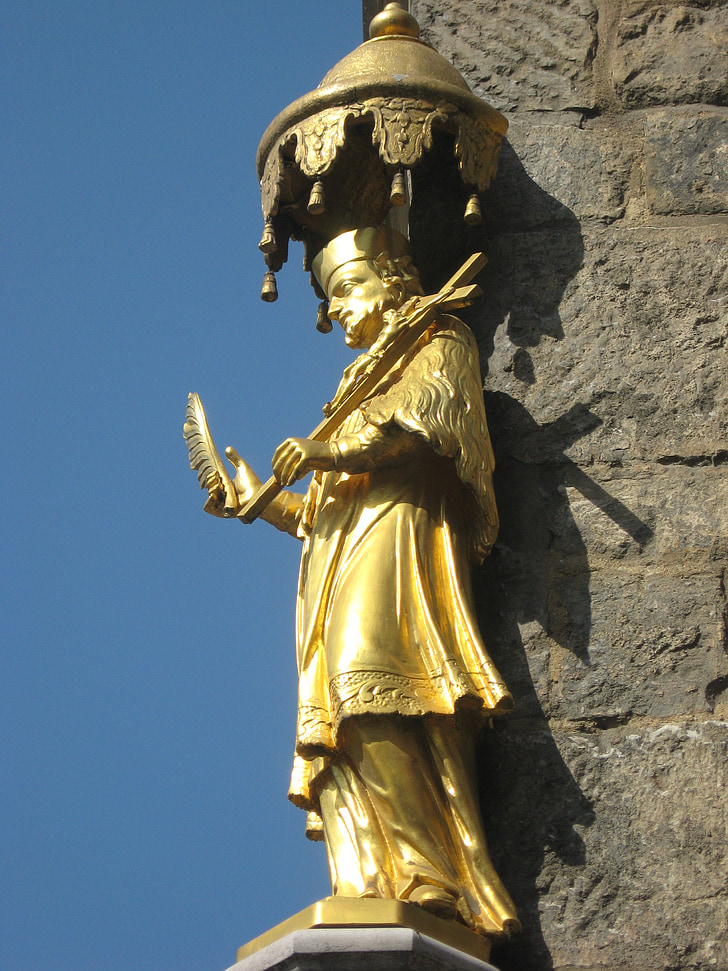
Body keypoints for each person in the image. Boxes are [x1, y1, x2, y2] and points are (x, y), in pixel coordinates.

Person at [209, 226, 520, 938]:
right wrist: (262, 501)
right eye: (330, 297)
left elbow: (416, 430)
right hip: (342, 558)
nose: (339, 310)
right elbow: (325, 513)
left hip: (401, 542)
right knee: (342, 715)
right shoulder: (355, 383)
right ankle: (370, 878)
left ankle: (430, 877)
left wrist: (323, 448)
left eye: (349, 287)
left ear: (394, 278)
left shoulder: (439, 340)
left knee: (369, 685)